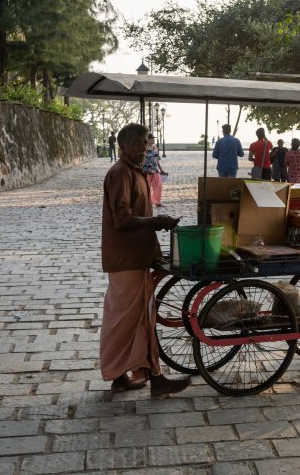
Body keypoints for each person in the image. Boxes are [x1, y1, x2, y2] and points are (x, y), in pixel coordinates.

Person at [100, 123, 189, 397]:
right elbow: (122, 219)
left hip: (135, 256)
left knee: (134, 321)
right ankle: (154, 378)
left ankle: (125, 376)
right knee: (131, 320)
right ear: (123, 146)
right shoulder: (120, 173)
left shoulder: (134, 171)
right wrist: (156, 221)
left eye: (145, 143)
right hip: (126, 259)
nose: (143, 149)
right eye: (137, 144)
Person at [143, 134, 167, 208]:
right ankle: (148, 202)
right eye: (152, 139)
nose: (153, 140)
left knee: (159, 185)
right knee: (147, 187)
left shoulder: (155, 148)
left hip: (155, 169)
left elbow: (157, 160)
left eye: (153, 138)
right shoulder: (144, 148)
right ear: (148, 139)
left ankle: (157, 202)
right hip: (146, 170)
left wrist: (161, 170)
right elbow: (142, 160)